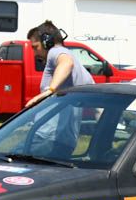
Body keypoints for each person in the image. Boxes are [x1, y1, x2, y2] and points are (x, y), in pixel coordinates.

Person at [24, 21, 94, 157]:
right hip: (67, 143)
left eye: (35, 47)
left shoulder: (55, 52)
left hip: (45, 139)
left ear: (47, 41)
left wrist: (49, 91)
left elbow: (66, 63)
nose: (34, 53)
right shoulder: (84, 73)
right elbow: (98, 110)